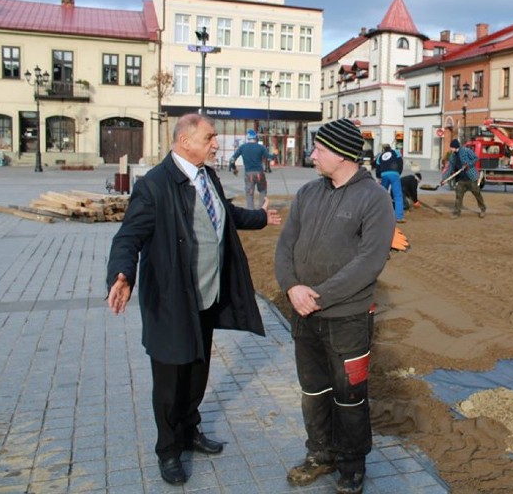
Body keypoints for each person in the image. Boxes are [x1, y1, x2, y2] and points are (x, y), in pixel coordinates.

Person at [106, 113, 281, 486]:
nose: (216, 143)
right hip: (171, 301)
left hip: (205, 296)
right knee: (170, 380)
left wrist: (261, 218)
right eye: (210, 137)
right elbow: (128, 236)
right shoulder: (155, 185)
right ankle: (168, 450)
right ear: (185, 141)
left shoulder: (207, 176)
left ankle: (189, 430)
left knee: (197, 371)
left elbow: (225, 214)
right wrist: (122, 274)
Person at [275, 118, 395, 494]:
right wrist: (292, 286)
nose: (312, 155)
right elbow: (285, 246)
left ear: (342, 154)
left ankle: (351, 464)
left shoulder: (374, 198)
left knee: (349, 397)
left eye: (319, 149)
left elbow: (369, 262)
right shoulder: (309, 193)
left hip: (347, 320)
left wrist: (318, 296)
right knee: (313, 391)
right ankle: (320, 454)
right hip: (304, 317)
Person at [229, 129, 271, 209]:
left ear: (247, 138)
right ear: (256, 138)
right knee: (262, 190)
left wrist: (234, 168)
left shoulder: (243, 147)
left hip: (248, 174)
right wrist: (275, 155)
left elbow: (232, 160)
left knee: (249, 194)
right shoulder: (261, 147)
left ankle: (251, 213)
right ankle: (262, 210)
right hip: (259, 173)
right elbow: (269, 157)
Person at [447, 138, 486, 219]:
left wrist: (468, 164)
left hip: (471, 177)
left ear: (455, 147)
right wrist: (444, 178)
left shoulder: (466, 151)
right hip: (461, 180)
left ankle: (483, 209)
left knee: (477, 194)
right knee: (458, 196)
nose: (451, 149)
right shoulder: (453, 156)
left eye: (452, 147)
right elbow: (450, 167)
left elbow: (475, 158)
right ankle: (456, 213)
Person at [374, 143, 405, 223]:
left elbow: (377, 168)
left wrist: (379, 177)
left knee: (383, 195)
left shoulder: (380, 156)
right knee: (397, 195)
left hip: (384, 175)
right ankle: (399, 217)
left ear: (383, 149)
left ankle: (382, 215)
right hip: (394, 174)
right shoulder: (396, 152)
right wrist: (398, 172)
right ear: (390, 147)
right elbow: (400, 163)